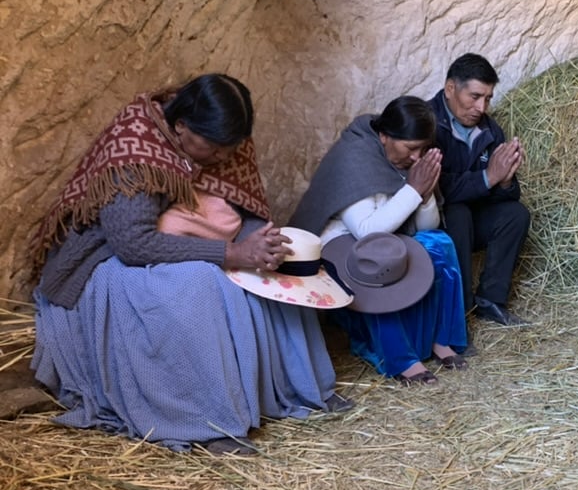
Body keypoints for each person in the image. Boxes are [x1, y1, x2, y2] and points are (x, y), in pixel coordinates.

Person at [30, 73, 351, 456]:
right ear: (180, 127)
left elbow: (244, 205)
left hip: (201, 240)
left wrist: (258, 243)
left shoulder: (225, 142)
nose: (223, 159)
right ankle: (208, 421)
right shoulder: (136, 151)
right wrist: (230, 254)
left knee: (278, 269)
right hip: (109, 257)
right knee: (195, 285)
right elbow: (132, 244)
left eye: (229, 150)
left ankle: (301, 389)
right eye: (214, 149)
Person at [289, 95, 468, 385]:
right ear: (384, 136)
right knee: (378, 264)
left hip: (389, 236)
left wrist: (424, 195)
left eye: (423, 149)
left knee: (439, 243)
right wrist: (412, 188)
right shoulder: (354, 157)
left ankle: (440, 340)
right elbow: (368, 232)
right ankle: (401, 359)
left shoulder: (410, 161)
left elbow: (425, 225)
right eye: (411, 148)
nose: (416, 158)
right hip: (343, 242)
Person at [428, 53, 531, 326]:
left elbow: (505, 195)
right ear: (450, 89)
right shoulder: (428, 123)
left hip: (474, 220)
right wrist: (487, 177)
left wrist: (506, 180)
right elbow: (439, 189)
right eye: (474, 96)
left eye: (487, 98)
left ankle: (490, 301)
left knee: (515, 214)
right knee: (458, 212)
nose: (481, 107)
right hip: (435, 224)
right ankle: (458, 314)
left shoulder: (490, 130)